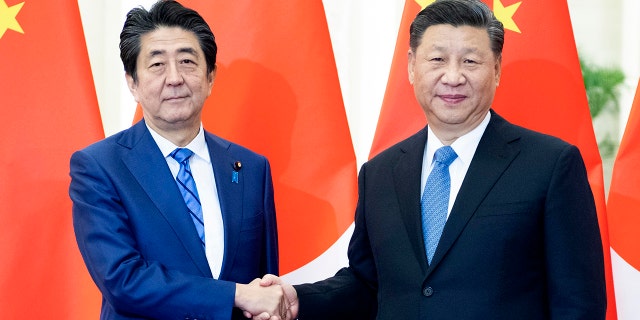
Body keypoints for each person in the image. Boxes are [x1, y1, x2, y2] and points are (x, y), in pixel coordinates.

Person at [262, 0, 607, 319]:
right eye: (437, 59)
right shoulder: (380, 174)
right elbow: (369, 286)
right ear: (412, 67)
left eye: (470, 61)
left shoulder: (550, 165)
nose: (453, 76)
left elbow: (578, 303)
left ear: (497, 70)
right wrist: (300, 299)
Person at [69, 1, 287, 319]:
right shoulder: (100, 167)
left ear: (210, 77)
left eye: (187, 61)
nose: (174, 78)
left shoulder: (250, 167)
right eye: (157, 65)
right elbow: (122, 281)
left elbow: (264, 285)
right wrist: (236, 295)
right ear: (132, 82)